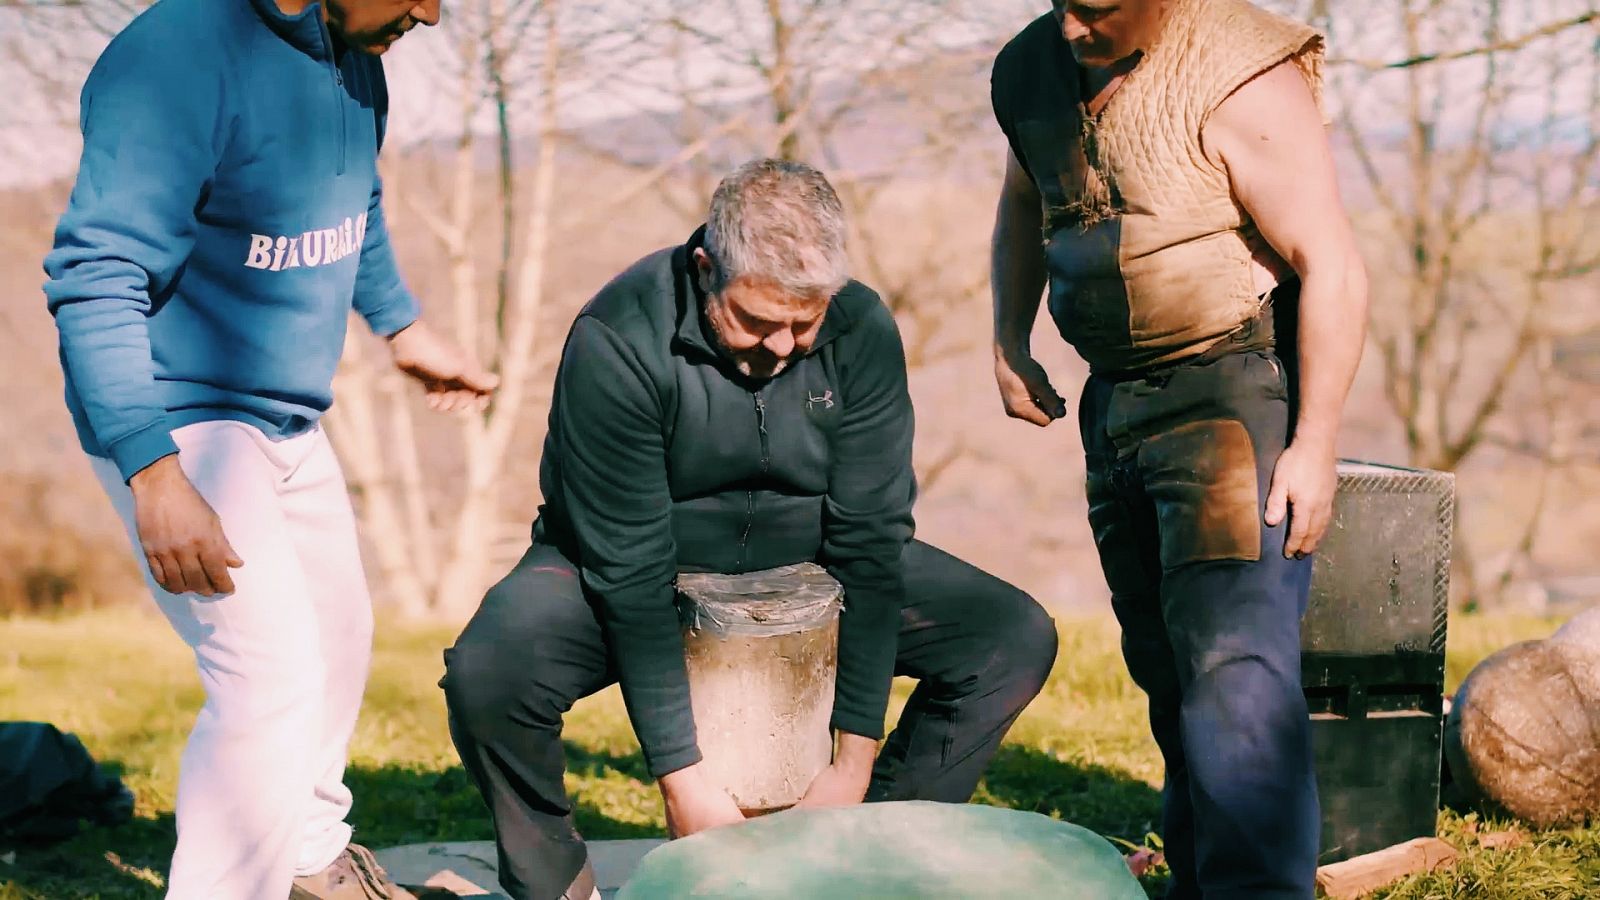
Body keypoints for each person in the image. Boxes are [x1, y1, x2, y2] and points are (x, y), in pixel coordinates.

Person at [439, 158, 1060, 900]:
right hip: (632, 564)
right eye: (757, 321)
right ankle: (557, 883)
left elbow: (870, 545)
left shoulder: (860, 327)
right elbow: (630, 574)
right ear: (706, 269)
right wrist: (683, 780)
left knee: (1010, 634)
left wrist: (850, 766)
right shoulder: (618, 338)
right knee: (489, 673)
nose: (781, 346)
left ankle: (866, 859)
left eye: (804, 324)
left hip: (811, 555)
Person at [42, 0, 497, 896]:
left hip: (283, 413)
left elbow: (351, 195)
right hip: (181, 417)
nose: (432, 13)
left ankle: (308, 863)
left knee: (340, 640)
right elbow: (97, 278)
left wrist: (400, 326)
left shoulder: (352, 49)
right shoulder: (173, 61)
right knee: (269, 680)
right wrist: (155, 469)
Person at [988, 1, 1368, 897]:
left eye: (1103, 9)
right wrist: (1008, 340)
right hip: (1113, 399)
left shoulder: (1243, 71)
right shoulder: (1028, 70)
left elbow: (1333, 263)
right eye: (1066, 4)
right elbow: (1021, 199)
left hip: (1230, 393)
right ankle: (1203, 880)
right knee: (1164, 666)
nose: (1078, 28)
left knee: (1235, 674)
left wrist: (1315, 444)